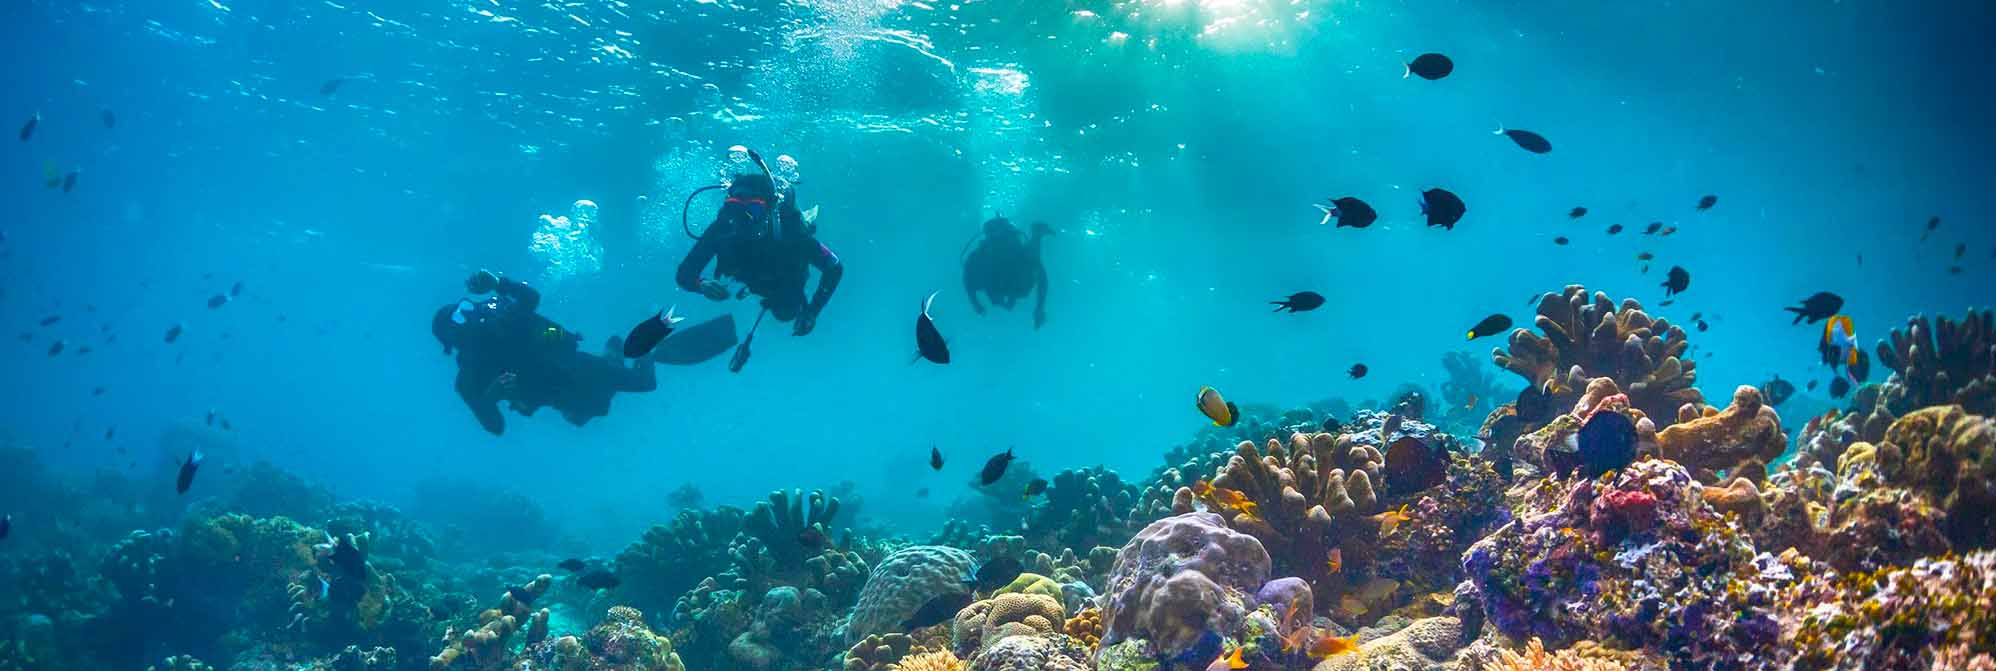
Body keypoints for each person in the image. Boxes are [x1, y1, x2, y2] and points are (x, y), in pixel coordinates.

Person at [430, 270, 657, 435]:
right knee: (594, 408)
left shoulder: (501, 321)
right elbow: (495, 427)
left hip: (579, 365)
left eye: (465, 307)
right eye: (459, 318)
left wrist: (498, 283)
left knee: (644, 383)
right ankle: (613, 359)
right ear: (453, 340)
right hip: (561, 396)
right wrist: (491, 397)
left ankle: (645, 344)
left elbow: (531, 298)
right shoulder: (468, 379)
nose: (468, 314)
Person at [675, 172, 842, 336]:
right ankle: (754, 286)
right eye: (735, 208)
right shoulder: (723, 228)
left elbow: (834, 268)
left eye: (753, 209)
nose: (744, 219)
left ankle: (805, 220)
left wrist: (812, 311)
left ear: (770, 210)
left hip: (785, 276)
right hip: (752, 274)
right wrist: (700, 284)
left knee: (785, 312)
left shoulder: (792, 233)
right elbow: (684, 274)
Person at [962, 215, 1053, 328]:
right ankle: (1036, 236)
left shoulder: (978, 256)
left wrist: (976, 304)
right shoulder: (980, 257)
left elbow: (968, 279)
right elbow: (1042, 277)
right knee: (1030, 268)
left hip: (1010, 278)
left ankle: (1036, 236)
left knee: (1026, 279)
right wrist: (1039, 308)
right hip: (1015, 273)